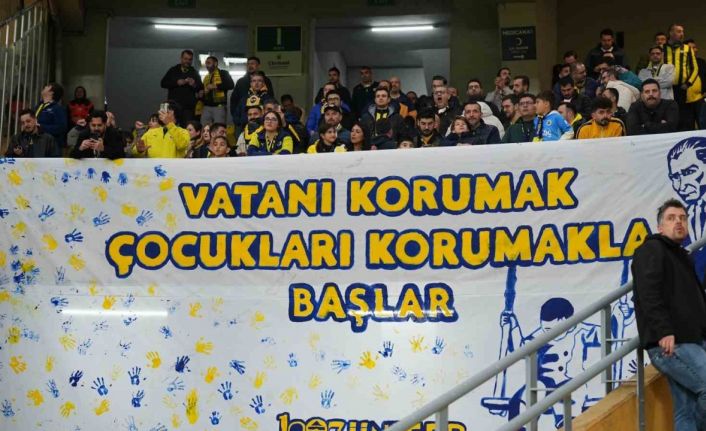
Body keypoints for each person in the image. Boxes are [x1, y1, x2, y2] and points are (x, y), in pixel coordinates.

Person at [631, 198, 706, 431]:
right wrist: (664, 330)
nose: (679, 222)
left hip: (690, 340)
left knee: (685, 409)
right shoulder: (651, 250)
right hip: (674, 343)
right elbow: (648, 293)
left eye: (682, 218)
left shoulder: (682, 256)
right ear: (660, 227)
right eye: (672, 218)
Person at [664, 24, 702, 131]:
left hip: (682, 88)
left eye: (682, 31)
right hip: (666, 89)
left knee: (684, 116)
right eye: (679, 31)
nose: (682, 34)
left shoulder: (687, 49)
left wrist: (688, 83)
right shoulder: (662, 49)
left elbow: (695, 68)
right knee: (668, 114)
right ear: (671, 33)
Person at [160, 50, 202, 124]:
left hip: (188, 107)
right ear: (181, 58)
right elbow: (163, 83)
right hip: (174, 106)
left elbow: (200, 88)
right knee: (172, 126)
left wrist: (194, 84)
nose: (187, 61)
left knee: (187, 127)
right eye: (185, 59)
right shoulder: (173, 70)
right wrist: (176, 83)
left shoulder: (194, 72)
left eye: (190, 59)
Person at [200, 56, 235, 125]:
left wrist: (215, 86)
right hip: (206, 106)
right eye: (206, 63)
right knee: (204, 127)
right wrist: (202, 93)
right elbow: (204, 90)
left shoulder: (223, 73)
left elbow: (231, 85)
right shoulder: (206, 77)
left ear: (215, 64)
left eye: (209, 63)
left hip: (219, 106)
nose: (207, 65)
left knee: (218, 127)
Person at [35, 82, 67, 154]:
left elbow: (61, 127)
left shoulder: (58, 109)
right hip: (37, 145)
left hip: (51, 148)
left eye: (48, 86)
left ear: (52, 92)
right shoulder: (38, 106)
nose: (45, 86)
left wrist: (41, 127)